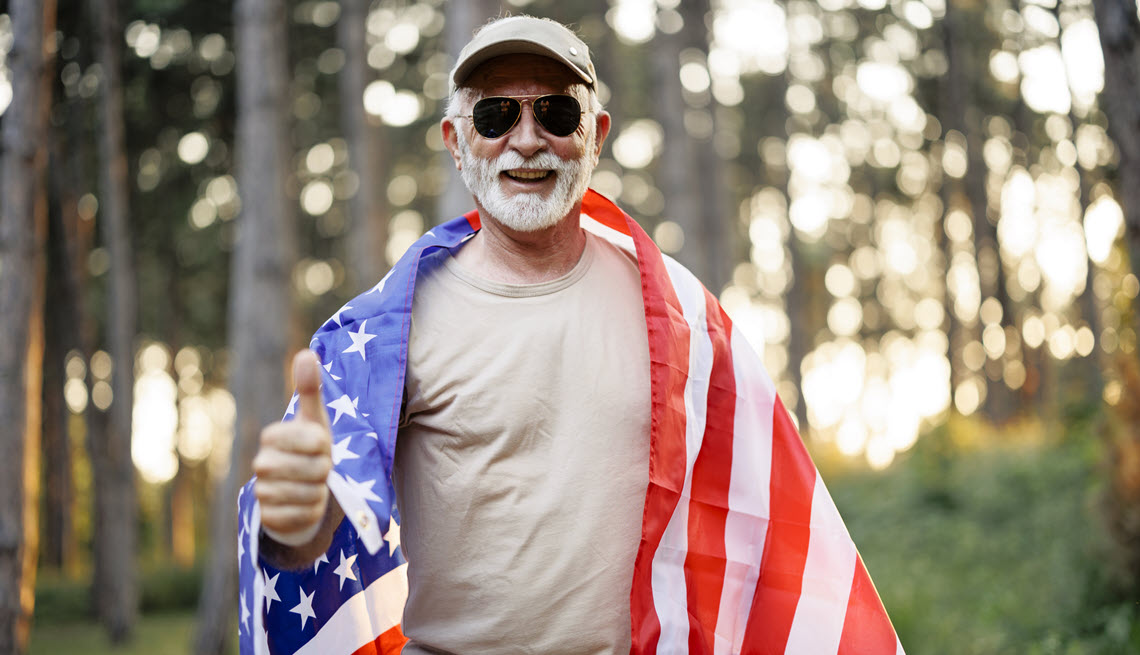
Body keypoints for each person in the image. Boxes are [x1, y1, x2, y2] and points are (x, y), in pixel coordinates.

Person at [238, 15, 902, 655]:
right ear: (455, 139)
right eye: (495, 115)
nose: (526, 140)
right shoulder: (385, 331)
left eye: (556, 113)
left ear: (595, 133)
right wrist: (295, 520)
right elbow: (312, 533)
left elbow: (761, 518)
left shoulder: (682, 319)